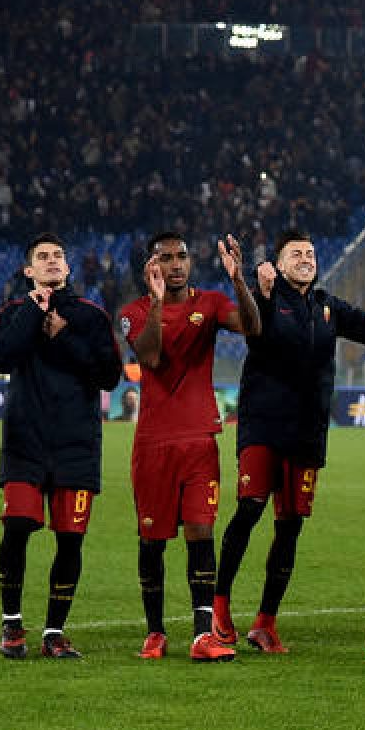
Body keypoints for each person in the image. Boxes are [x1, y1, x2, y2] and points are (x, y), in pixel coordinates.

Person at [210, 229, 365, 653]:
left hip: (307, 432)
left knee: (290, 526)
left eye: (311, 252)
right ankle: (220, 607)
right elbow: (252, 329)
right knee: (249, 509)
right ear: (279, 264)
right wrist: (250, 286)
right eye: (296, 253)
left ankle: (265, 622)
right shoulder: (267, 297)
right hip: (264, 425)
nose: (306, 258)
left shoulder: (326, 306)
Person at [0, 232, 123, 660]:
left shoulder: (92, 317)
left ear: (68, 266)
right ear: (29, 270)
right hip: (25, 443)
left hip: (76, 446)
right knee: (17, 528)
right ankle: (11, 625)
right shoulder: (13, 312)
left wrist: (64, 337)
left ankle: (54, 632)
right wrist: (34, 311)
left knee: (70, 539)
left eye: (58, 255)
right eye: (42, 256)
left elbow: (110, 376)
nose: (51, 261)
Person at [118, 231, 252, 663]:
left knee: (201, 531)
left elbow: (252, 327)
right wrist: (158, 302)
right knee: (152, 540)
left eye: (182, 256)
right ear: (151, 266)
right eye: (166, 258)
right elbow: (150, 358)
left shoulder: (210, 303)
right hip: (153, 443)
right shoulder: (133, 312)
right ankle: (155, 632)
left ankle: (202, 635)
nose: (176, 264)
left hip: (199, 440)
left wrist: (239, 281)